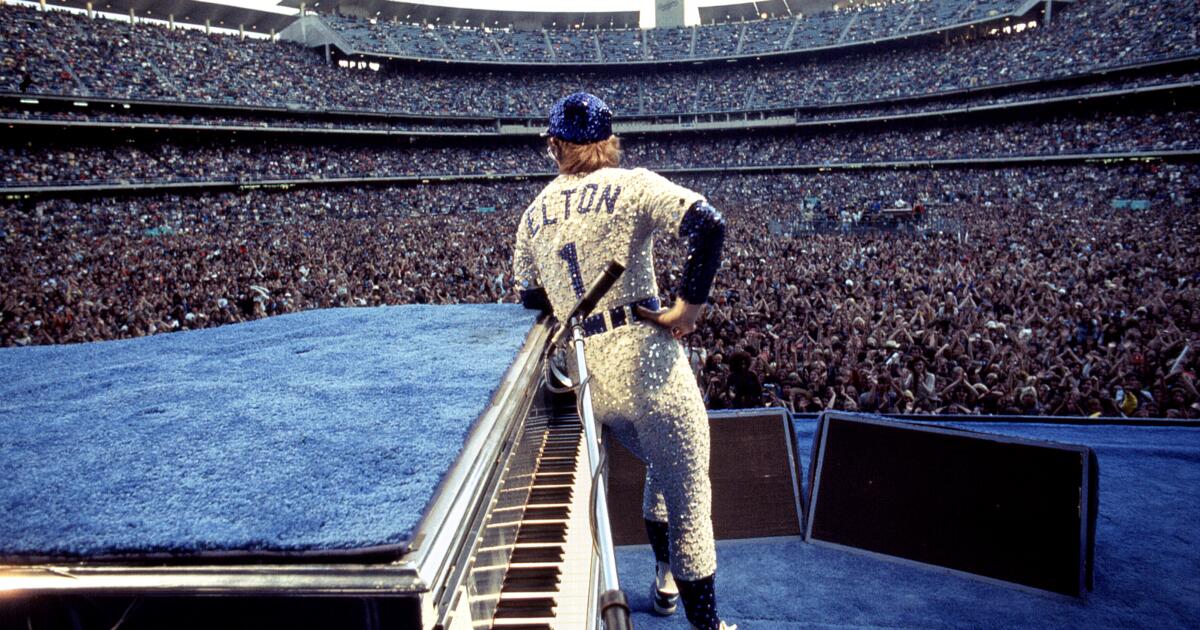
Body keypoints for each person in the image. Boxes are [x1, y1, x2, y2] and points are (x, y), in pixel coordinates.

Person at [512, 92, 734, 630]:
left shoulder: (533, 213)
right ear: (610, 142)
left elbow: (530, 298)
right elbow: (709, 224)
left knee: (660, 470)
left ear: (557, 145)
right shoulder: (632, 183)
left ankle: (663, 580)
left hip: (587, 378)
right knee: (690, 497)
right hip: (647, 366)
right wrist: (689, 308)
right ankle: (706, 626)